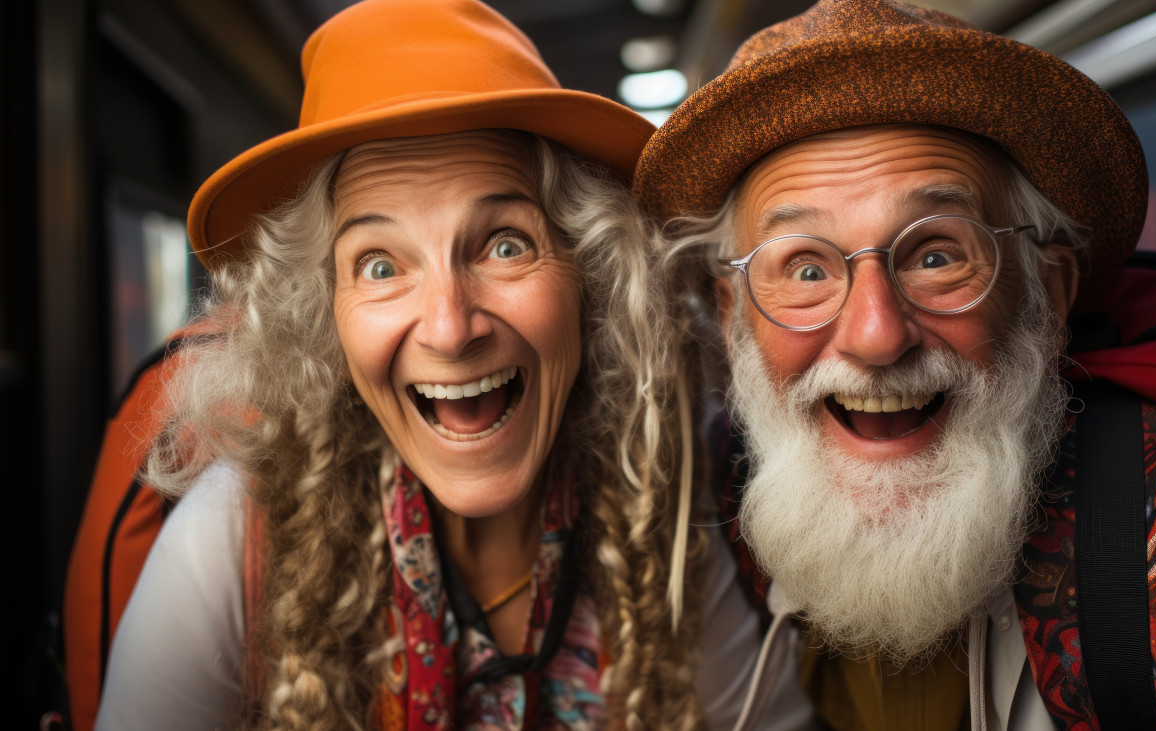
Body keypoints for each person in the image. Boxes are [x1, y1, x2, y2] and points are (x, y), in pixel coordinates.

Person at [94, 0, 815, 728]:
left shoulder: (662, 487)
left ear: (589, 275)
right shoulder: (233, 537)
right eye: (379, 265)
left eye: (505, 244)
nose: (448, 327)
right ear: (324, 317)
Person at [636, 0, 1156, 729]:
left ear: (1049, 291)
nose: (877, 336)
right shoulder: (716, 529)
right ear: (732, 317)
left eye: (937, 255)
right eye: (806, 269)